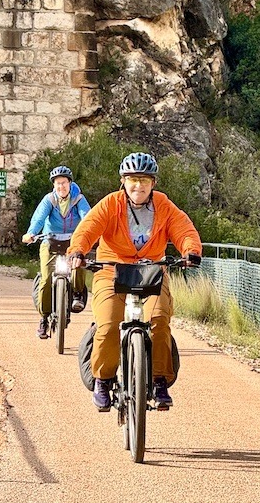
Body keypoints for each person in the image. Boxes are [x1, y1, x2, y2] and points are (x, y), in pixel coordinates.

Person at [68, 152, 202, 412]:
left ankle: (159, 380)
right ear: (123, 181)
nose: (138, 185)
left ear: (153, 183)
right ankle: (103, 380)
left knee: (160, 319)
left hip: (152, 270)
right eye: (132, 179)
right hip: (112, 270)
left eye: (144, 179)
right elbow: (88, 227)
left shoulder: (163, 205)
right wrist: (78, 251)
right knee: (107, 324)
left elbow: (183, 229)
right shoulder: (111, 204)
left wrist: (191, 251)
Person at [22, 166, 91, 339]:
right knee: (45, 279)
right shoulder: (49, 200)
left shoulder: (78, 199)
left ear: (70, 183)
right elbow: (39, 217)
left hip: (72, 242)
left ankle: (77, 293)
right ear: (54, 185)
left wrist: (91, 233)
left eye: (64, 183)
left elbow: (88, 218)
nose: (61, 187)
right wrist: (31, 233)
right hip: (50, 241)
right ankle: (44, 318)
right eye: (58, 183)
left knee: (78, 263)